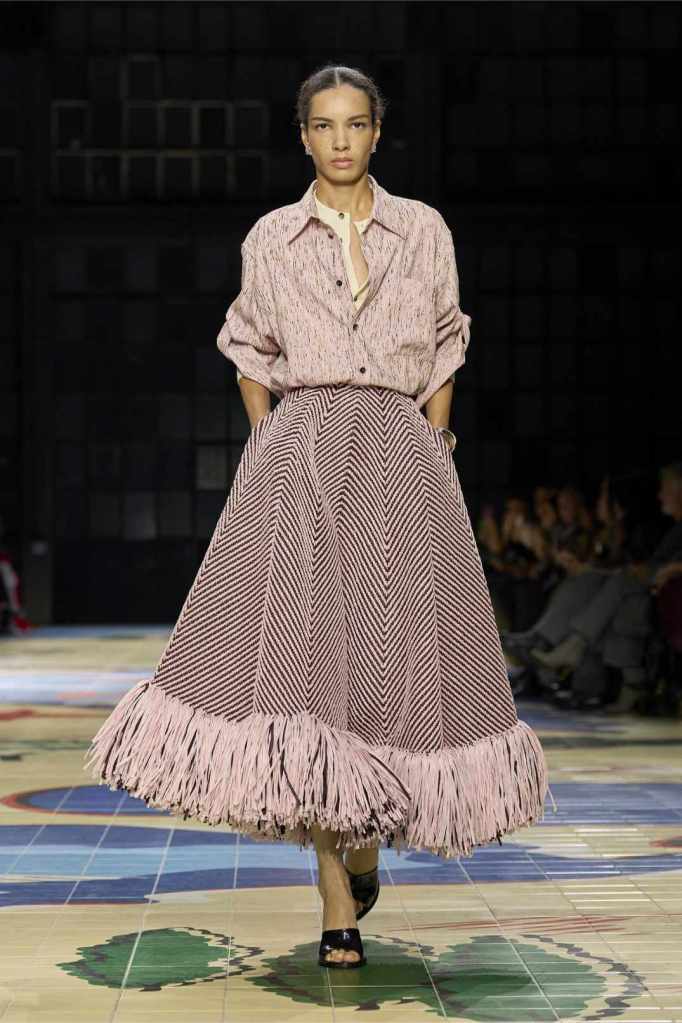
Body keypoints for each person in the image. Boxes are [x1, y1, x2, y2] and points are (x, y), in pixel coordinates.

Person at [84, 64, 548, 971]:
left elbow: (445, 341)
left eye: (356, 123)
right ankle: (337, 894)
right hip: (304, 456)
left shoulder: (424, 228)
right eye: (325, 125)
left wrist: (438, 444)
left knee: (393, 657)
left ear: (378, 131)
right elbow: (249, 344)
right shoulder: (272, 235)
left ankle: (367, 841)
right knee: (310, 667)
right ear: (303, 136)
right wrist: (269, 438)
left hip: (403, 456)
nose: (341, 140)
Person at [529, 462, 682, 712]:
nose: (660, 496)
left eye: (666, 489)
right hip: (649, 593)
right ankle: (618, 680)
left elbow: (653, 568)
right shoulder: (667, 530)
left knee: (613, 586)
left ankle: (567, 650)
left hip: (661, 596)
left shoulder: (643, 532)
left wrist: (672, 569)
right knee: (609, 591)